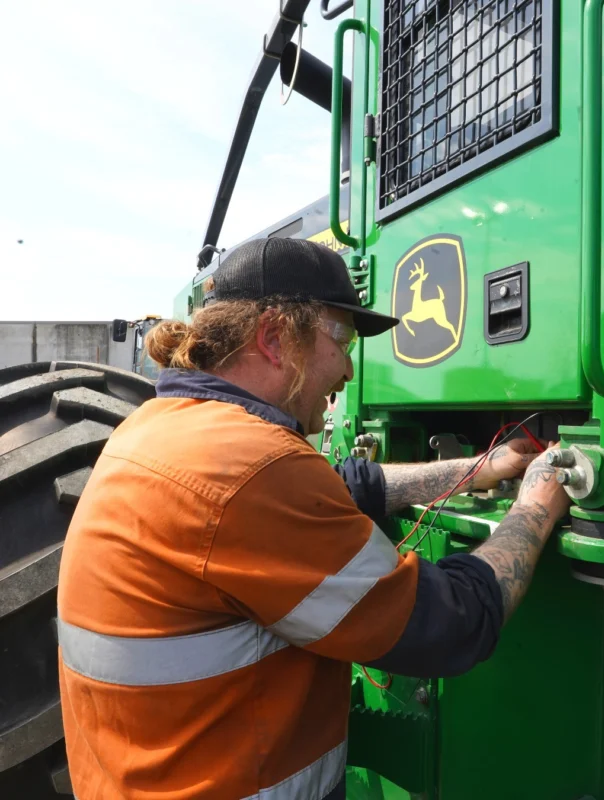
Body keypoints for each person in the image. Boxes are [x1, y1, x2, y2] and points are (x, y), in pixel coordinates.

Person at [57, 238, 569, 800]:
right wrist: (537, 505)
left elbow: (337, 491)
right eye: (342, 339)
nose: (349, 367)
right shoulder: (251, 468)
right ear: (274, 337)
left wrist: (475, 469)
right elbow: (447, 624)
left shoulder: (161, 427)